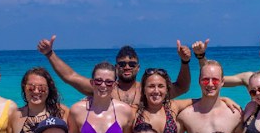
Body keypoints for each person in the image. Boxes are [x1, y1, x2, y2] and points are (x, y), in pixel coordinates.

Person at [38, 37, 192, 104]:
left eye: (132, 64)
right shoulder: (103, 88)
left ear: (138, 68)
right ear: (116, 67)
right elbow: (70, 76)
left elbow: (182, 87)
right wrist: (49, 54)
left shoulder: (149, 91)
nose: (127, 67)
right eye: (122, 64)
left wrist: (185, 61)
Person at [175, 61, 243, 133]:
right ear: (199, 81)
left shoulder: (234, 114)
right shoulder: (187, 114)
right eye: (206, 80)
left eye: (215, 80)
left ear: (222, 82)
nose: (210, 84)